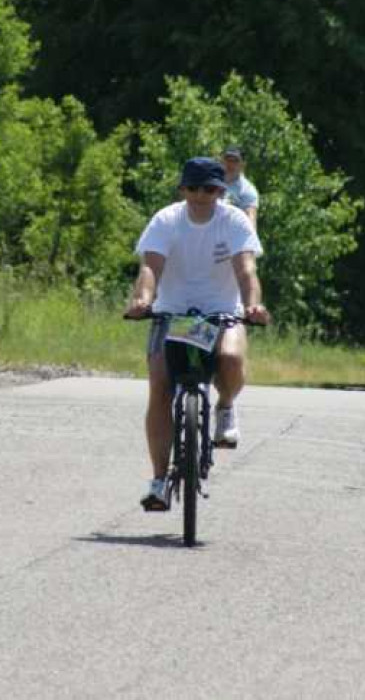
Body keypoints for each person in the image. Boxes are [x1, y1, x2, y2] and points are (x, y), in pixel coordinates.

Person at [125, 156, 270, 511]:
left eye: (208, 189)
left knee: (231, 358)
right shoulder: (166, 219)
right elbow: (150, 268)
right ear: (182, 189)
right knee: (161, 388)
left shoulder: (233, 221)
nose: (200, 195)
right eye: (192, 188)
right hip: (171, 312)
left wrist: (252, 306)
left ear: (221, 191)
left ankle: (226, 406)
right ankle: (159, 481)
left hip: (221, 311)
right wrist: (143, 300)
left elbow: (246, 271)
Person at [221, 146, 259, 230]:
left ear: (243, 164)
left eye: (235, 161)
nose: (230, 164)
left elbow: (250, 225)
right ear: (222, 161)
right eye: (227, 160)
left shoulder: (247, 190)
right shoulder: (211, 183)